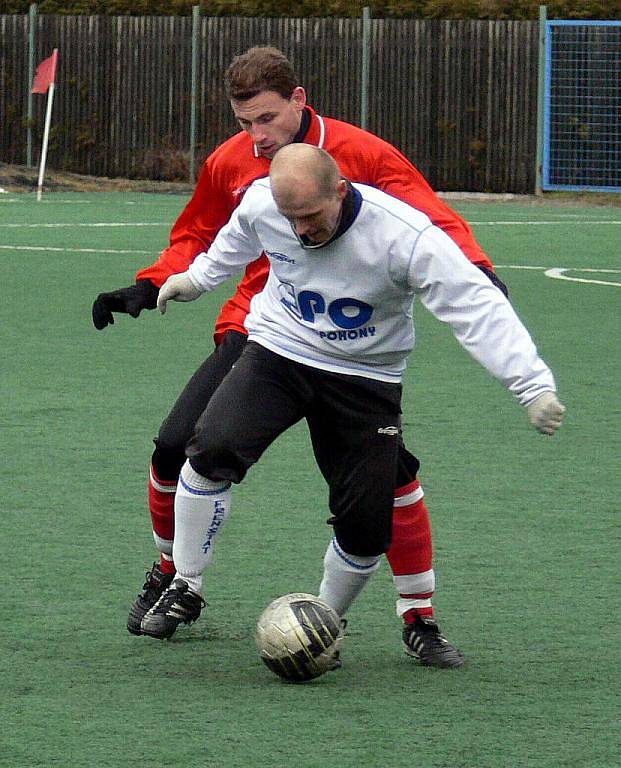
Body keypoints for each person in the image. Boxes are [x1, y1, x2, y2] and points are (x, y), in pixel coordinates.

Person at [92, 47, 509, 668]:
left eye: (266, 119)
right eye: (243, 123)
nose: (255, 137)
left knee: (389, 476)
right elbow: (197, 235)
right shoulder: (230, 162)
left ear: (299, 99)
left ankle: (418, 615)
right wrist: (152, 284)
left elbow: (431, 216)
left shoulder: (361, 153)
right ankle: (177, 578)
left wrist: (477, 270)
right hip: (262, 330)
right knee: (176, 446)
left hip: (351, 347)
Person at [140, 145, 565, 664]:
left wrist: (531, 385)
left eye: (312, 217)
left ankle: (323, 624)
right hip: (280, 351)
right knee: (209, 448)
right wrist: (195, 279)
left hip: (366, 377)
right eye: (290, 219)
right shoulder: (262, 204)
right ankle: (185, 583)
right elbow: (235, 241)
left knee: (366, 525)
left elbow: (475, 307)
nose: (300, 232)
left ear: (341, 191)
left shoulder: (404, 237)